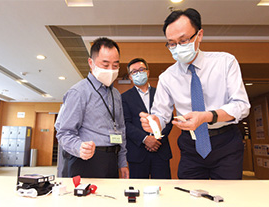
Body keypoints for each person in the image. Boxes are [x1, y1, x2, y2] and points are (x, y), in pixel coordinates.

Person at [139, 8, 250, 180]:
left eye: (183, 40)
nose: (177, 48)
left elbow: (241, 106)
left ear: (199, 35)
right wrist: (154, 123)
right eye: (171, 43)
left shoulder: (225, 62)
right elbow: (161, 115)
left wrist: (206, 116)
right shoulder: (167, 77)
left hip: (225, 142)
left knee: (229, 198)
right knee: (190, 197)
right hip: (191, 146)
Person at [55, 37, 129, 179]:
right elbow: (64, 133)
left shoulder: (116, 95)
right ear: (91, 63)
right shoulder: (78, 92)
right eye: (105, 65)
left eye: (115, 65)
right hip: (86, 160)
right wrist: (79, 147)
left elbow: (121, 130)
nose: (111, 70)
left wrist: (122, 162)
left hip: (112, 159)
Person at [121, 58, 173, 179]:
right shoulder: (124, 97)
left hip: (161, 150)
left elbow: (168, 119)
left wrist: (156, 138)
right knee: (138, 191)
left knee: (164, 190)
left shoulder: (161, 93)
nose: (138, 73)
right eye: (134, 72)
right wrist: (145, 139)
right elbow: (125, 124)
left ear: (148, 72)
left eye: (141, 69)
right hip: (137, 153)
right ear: (130, 77)